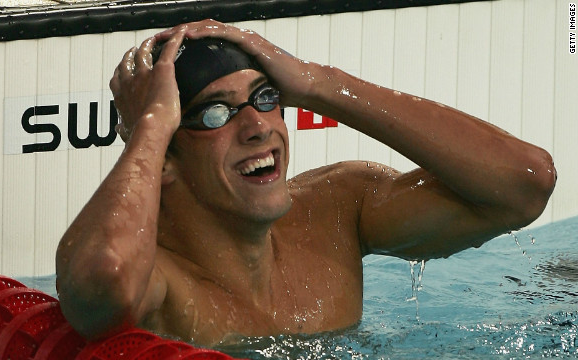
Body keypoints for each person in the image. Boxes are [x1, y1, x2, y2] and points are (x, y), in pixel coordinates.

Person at [55, 19, 556, 346]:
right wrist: (150, 124)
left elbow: (525, 185)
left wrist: (317, 82)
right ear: (164, 153)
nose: (257, 127)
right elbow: (102, 287)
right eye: (214, 114)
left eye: (266, 97)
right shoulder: (160, 285)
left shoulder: (336, 210)